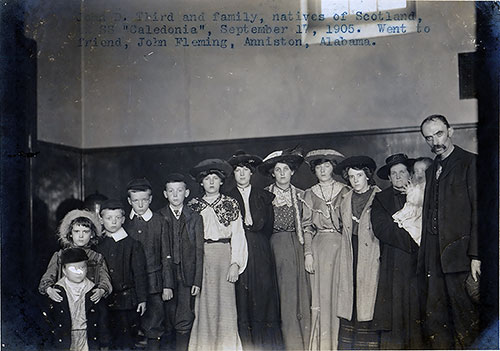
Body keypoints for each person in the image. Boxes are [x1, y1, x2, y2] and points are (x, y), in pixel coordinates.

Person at [418, 114, 479, 348]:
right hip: (434, 259)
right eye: (429, 137)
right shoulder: (432, 168)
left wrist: (477, 255)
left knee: (466, 322)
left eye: (439, 134)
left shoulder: (470, 162)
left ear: (451, 131)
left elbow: (481, 213)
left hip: (461, 257)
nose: (435, 141)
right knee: (437, 322)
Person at [187, 159, 248, 351]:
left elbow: (238, 235)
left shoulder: (230, 204)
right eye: (207, 179)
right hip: (201, 257)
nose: (211, 182)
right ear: (201, 183)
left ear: (221, 182)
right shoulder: (193, 206)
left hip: (224, 256)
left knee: (226, 306)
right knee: (203, 306)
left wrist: (235, 264)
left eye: (215, 178)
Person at [227, 150, 284, 351]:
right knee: (242, 298)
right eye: (237, 170)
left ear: (251, 173)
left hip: (260, 250)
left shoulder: (264, 196)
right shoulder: (228, 198)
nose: (241, 174)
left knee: (264, 294)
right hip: (238, 250)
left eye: (245, 170)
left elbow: (269, 227)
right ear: (233, 174)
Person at [258, 147, 311, 351]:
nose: (282, 173)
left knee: (303, 295)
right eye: (278, 170)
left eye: (286, 169)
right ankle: (291, 345)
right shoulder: (265, 196)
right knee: (286, 297)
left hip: (299, 244)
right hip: (276, 247)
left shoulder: (301, 195)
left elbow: (307, 224)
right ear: (273, 173)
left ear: (292, 172)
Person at [370, 153, 424, 349]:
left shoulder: (422, 194)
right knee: (394, 308)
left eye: (402, 172)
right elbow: (382, 228)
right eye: (394, 173)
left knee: (418, 307)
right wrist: (411, 241)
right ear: (389, 178)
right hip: (394, 260)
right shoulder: (380, 199)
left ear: (409, 174)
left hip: (419, 260)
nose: (399, 176)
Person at [301, 148, 349, 351]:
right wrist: (308, 253)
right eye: (319, 167)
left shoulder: (346, 190)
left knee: (340, 294)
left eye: (326, 166)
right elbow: (307, 228)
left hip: (342, 248)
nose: (322, 170)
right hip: (319, 248)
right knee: (321, 296)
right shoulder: (309, 194)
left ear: (333, 168)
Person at [335, 156, 381, 350]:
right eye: (352, 177)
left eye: (359, 176)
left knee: (368, 299)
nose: (355, 180)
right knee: (350, 299)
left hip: (371, 254)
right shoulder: (345, 199)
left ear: (368, 176)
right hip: (350, 252)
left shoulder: (378, 197)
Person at [124, 178, 173, 350]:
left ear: (150, 199)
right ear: (129, 201)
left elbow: (166, 255)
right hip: (129, 285)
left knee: (154, 327)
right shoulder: (124, 223)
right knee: (129, 328)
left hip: (154, 284)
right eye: (136, 200)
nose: (140, 204)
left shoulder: (160, 222)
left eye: (144, 200)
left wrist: (167, 285)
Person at [158, 173, 204, 351]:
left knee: (184, 318)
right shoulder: (159, 216)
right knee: (167, 317)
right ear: (165, 194)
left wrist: (197, 281)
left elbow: (199, 251)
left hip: (187, 275)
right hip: (165, 275)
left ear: (187, 193)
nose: (175, 195)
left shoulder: (194, 217)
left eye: (179, 190)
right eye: (171, 191)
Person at [96, 199, 148, 350]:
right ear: (101, 219)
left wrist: (142, 299)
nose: (113, 222)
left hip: (126, 301)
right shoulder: (97, 244)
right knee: (106, 337)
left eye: (117, 218)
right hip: (103, 300)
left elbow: (139, 274)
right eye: (108, 218)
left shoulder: (132, 244)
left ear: (123, 220)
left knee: (125, 340)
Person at [39, 209, 112, 306]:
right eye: (76, 231)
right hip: (64, 304)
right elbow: (46, 278)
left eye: (85, 232)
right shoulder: (60, 256)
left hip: (89, 304)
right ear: (70, 233)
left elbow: (105, 280)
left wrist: (101, 291)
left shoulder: (97, 258)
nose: (81, 236)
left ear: (92, 235)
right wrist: (49, 290)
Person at [41, 248, 108, 350]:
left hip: (87, 337)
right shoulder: (57, 291)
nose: (79, 272)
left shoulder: (93, 290)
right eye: (73, 268)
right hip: (65, 337)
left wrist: (104, 342)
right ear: (64, 270)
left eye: (82, 267)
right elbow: (49, 320)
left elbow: (102, 319)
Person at [392, 157, 432, 246]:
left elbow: (421, 200)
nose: (419, 173)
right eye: (416, 171)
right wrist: (409, 191)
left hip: (421, 212)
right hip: (412, 210)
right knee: (409, 226)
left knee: (419, 228)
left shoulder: (428, 187)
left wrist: (412, 195)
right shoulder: (415, 185)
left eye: (422, 170)